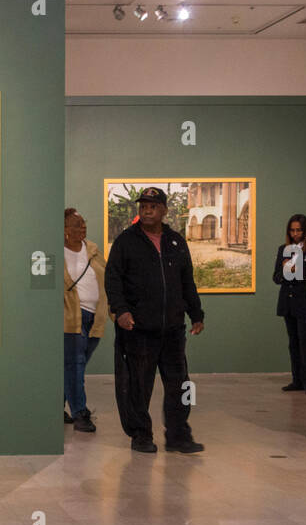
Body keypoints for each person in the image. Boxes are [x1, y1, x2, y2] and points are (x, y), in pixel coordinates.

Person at [104, 186, 206, 454]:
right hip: (138, 330)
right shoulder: (126, 241)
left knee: (181, 385)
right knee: (138, 386)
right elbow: (113, 280)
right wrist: (121, 311)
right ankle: (140, 435)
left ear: (163, 210)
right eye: (143, 206)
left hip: (173, 330)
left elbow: (187, 282)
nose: (147, 210)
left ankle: (178, 435)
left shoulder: (176, 241)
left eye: (152, 206)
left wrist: (196, 313)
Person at [63, 207, 109, 432]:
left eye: (83, 223)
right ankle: (80, 412)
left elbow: (108, 278)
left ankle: (55, 406)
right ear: (63, 230)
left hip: (96, 316)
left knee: (75, 365)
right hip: (72, 317)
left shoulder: (93, 250)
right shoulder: (56, 252)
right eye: (76, 224)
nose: (83, 227)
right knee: (75, 365)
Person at [274, 213, 306, 394]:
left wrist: (295, 269)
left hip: (305, 302)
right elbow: (276, 278)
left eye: (298, 230)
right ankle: (296, 380)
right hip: (288, 302)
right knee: (293, 342)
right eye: (292, 230)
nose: (295, 233)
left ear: (305, 231)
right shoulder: (283, 249)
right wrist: (286, 270)